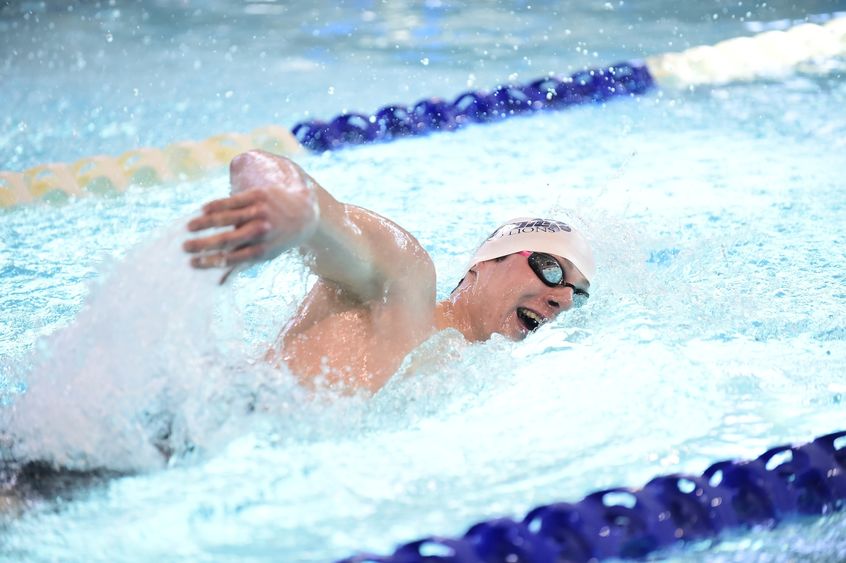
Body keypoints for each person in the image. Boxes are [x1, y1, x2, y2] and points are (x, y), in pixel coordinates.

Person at [183, 150, 595, 392]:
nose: (562, 298)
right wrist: (290, 211)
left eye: (577, 293)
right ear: (484, 263)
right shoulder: (403, 285)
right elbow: (261, 165)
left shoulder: (463, 375)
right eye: (550, 269)